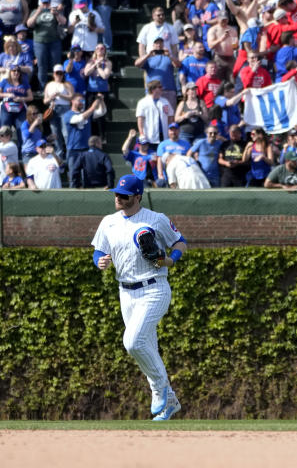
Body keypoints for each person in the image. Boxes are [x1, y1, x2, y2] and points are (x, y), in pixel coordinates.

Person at [91, 174, 186, 421]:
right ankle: (170, 403)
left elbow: (180, 243)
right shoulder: (108, 222)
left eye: (124, 195)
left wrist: (170, 260)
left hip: (155, 288)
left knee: (133, 342)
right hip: (126, 292)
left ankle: (160, 388)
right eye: (116, 194)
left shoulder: (156, 219)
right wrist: (99, 261)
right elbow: (100, 250)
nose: (118, 198)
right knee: (146, 348)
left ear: (137, 197)